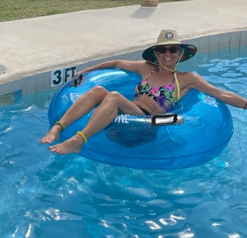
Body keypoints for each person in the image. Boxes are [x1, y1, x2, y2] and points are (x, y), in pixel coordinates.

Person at [40, 29, 247, 155]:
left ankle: (79, 140)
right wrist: (87, 70)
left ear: (180, 53)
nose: (167, 54)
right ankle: (58, 128)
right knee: (98, 90)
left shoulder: (187, 79)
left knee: (113, 96)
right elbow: (117, 62)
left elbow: (221, 94)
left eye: (172, 49)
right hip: (128, 110)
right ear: (156, 53)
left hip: (148, 123)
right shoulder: (146, 68)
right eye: (162, 50)